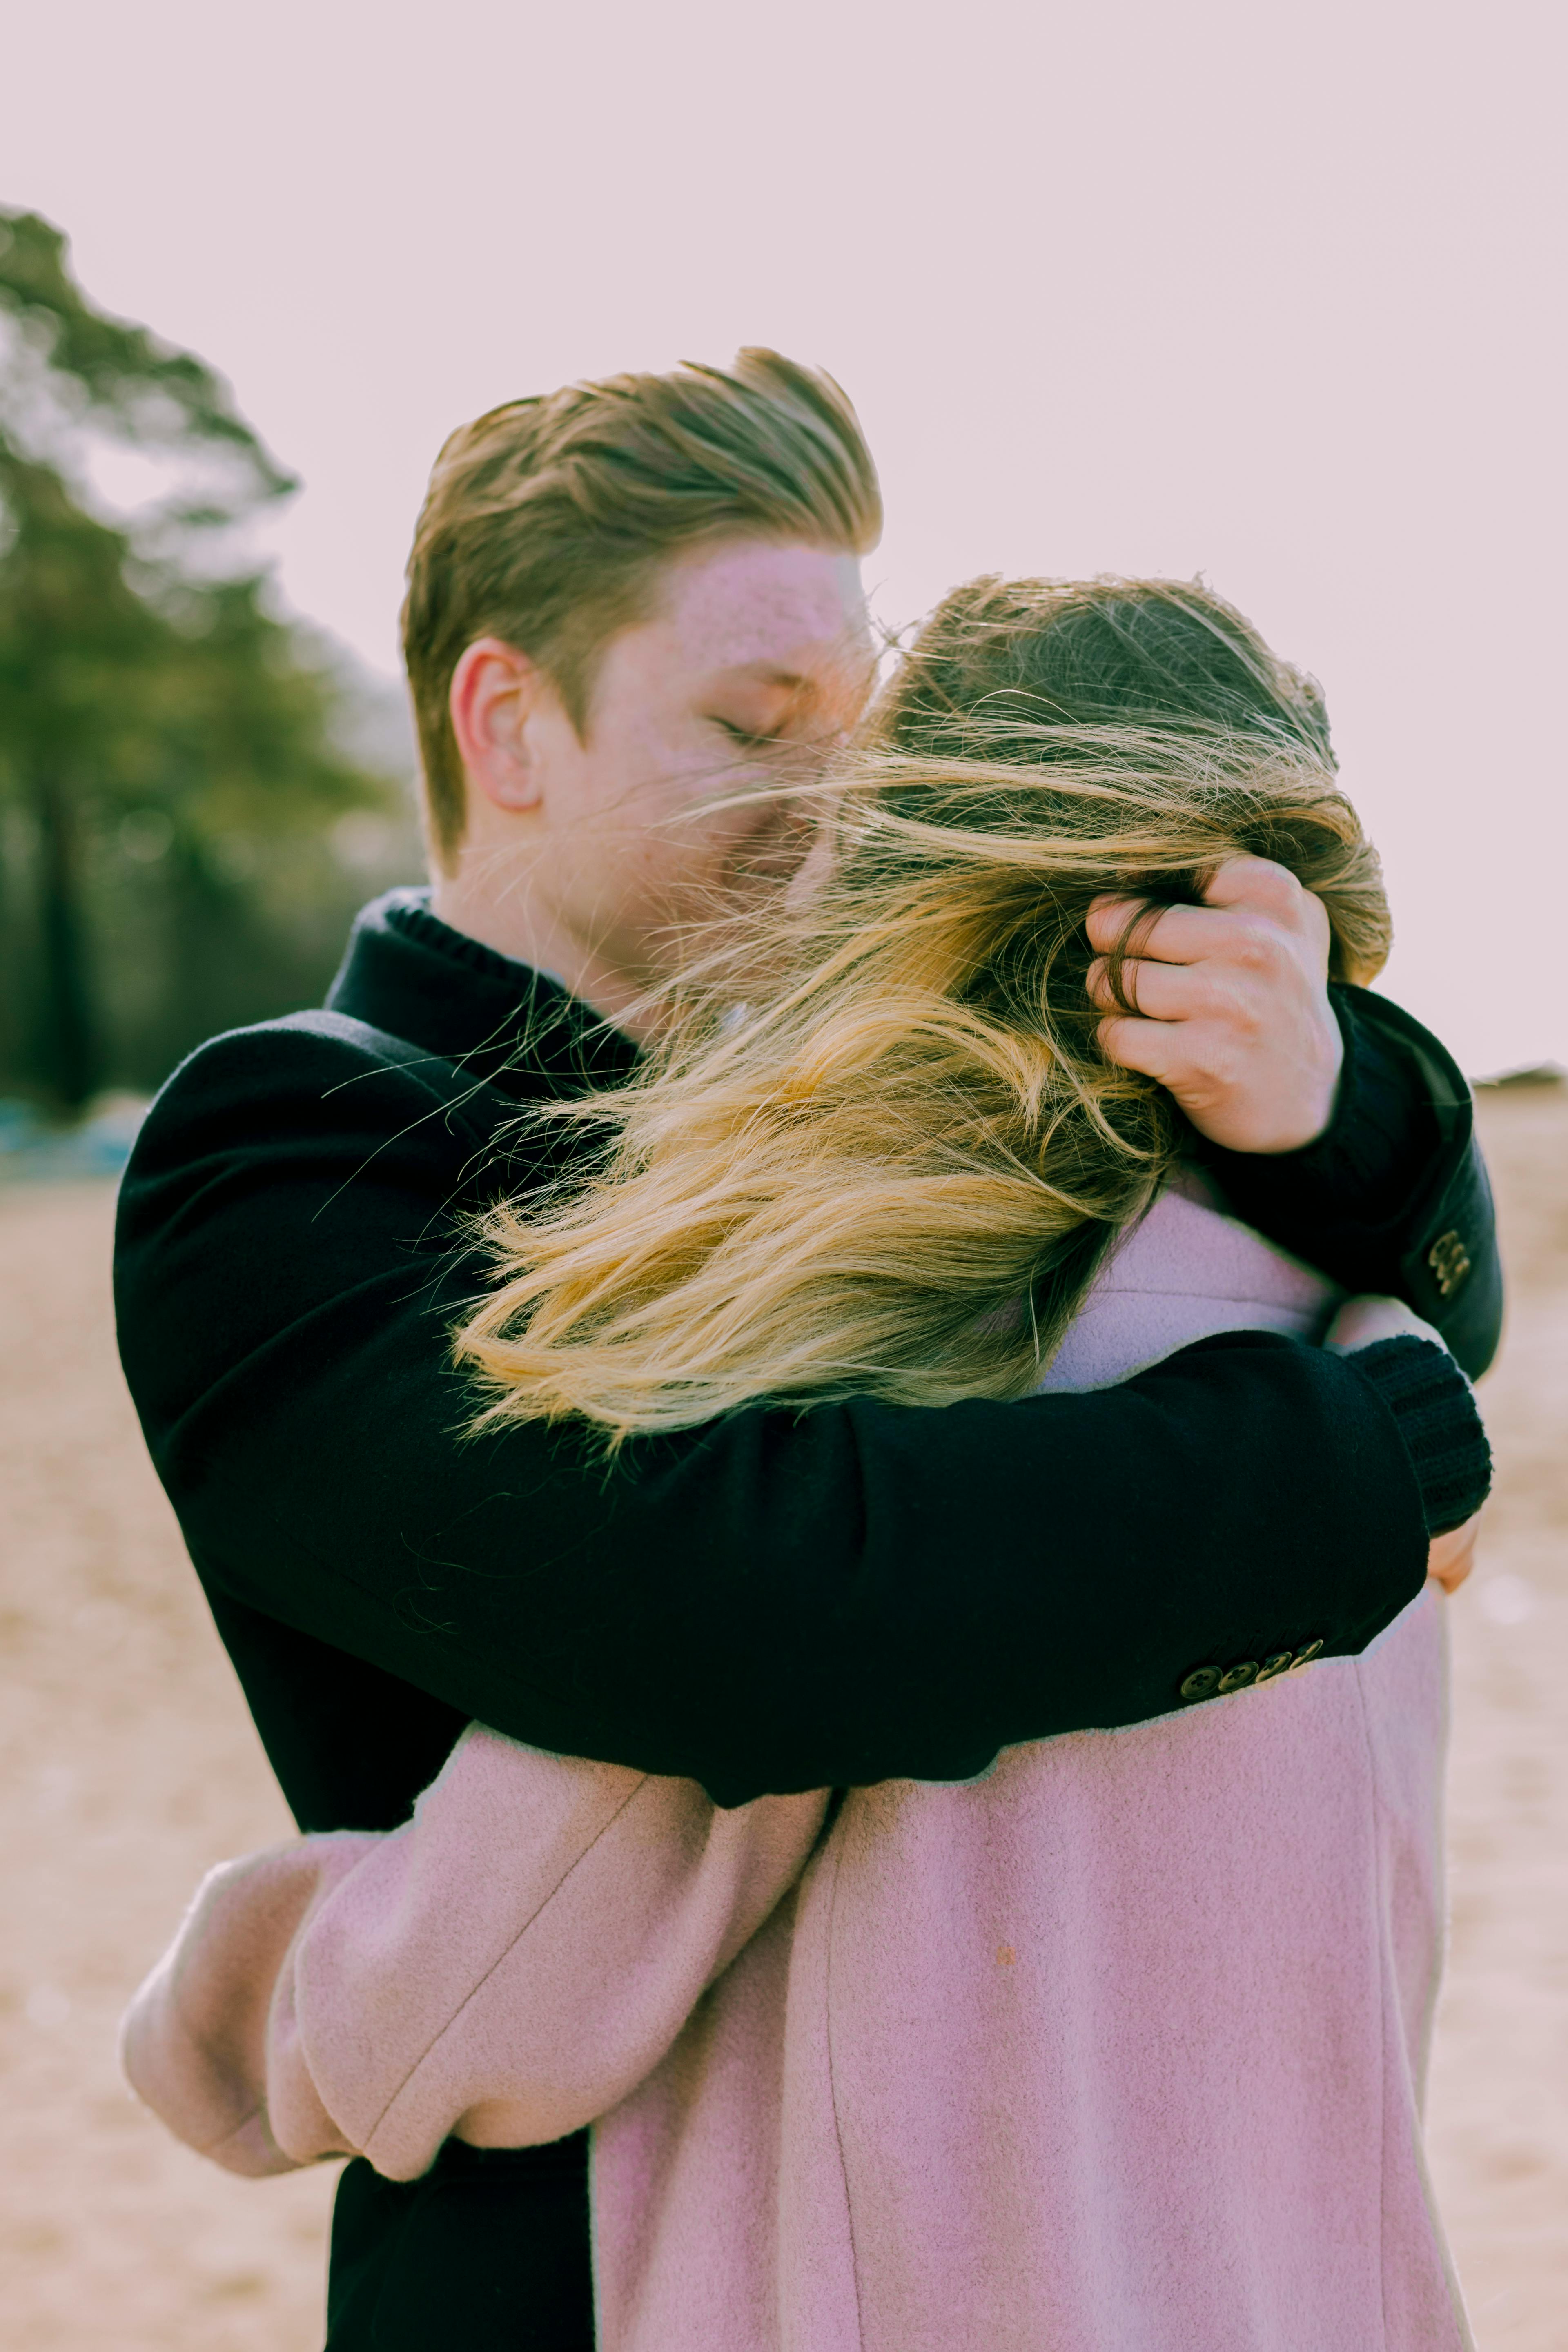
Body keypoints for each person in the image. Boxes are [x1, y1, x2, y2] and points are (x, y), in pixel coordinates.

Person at [114, 358, 1496, 2349]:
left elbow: (1427, 1294)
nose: (842, 805)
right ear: (509, 722)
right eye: (758, 730)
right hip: (584, 2261)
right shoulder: (290, 1150)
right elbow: (720, 1598)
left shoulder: (895, 1098)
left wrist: (1333, 1097)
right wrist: (1346, 1469)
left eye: (859, 735)